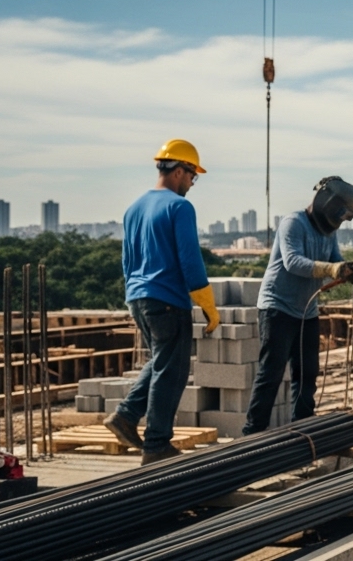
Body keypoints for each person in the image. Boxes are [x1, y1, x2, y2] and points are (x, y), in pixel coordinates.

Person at [107, 139, 219, 465]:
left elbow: (127, 262)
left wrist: (136, 297)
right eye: (192, 176)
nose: (192, 183)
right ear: (179, 171)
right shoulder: (179, 207)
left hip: (138, 297)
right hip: (168, 300)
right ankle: (156, 444)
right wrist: (207, 305)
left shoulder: (134, 207)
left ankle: (125, 416)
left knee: (160, 361)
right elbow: (190, 260)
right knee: (172, 371)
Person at [243, 177, 353, 435]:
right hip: (277, 307)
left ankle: (302, 431)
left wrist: (347, 270)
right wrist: (332, 269)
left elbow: (335, 261)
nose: (340, 222)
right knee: (271, 373)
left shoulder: (328, 232)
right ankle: (252, 434)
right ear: (328, 204)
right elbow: (293, 262)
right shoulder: (293, 223)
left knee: (307, 373)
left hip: (306, 311)